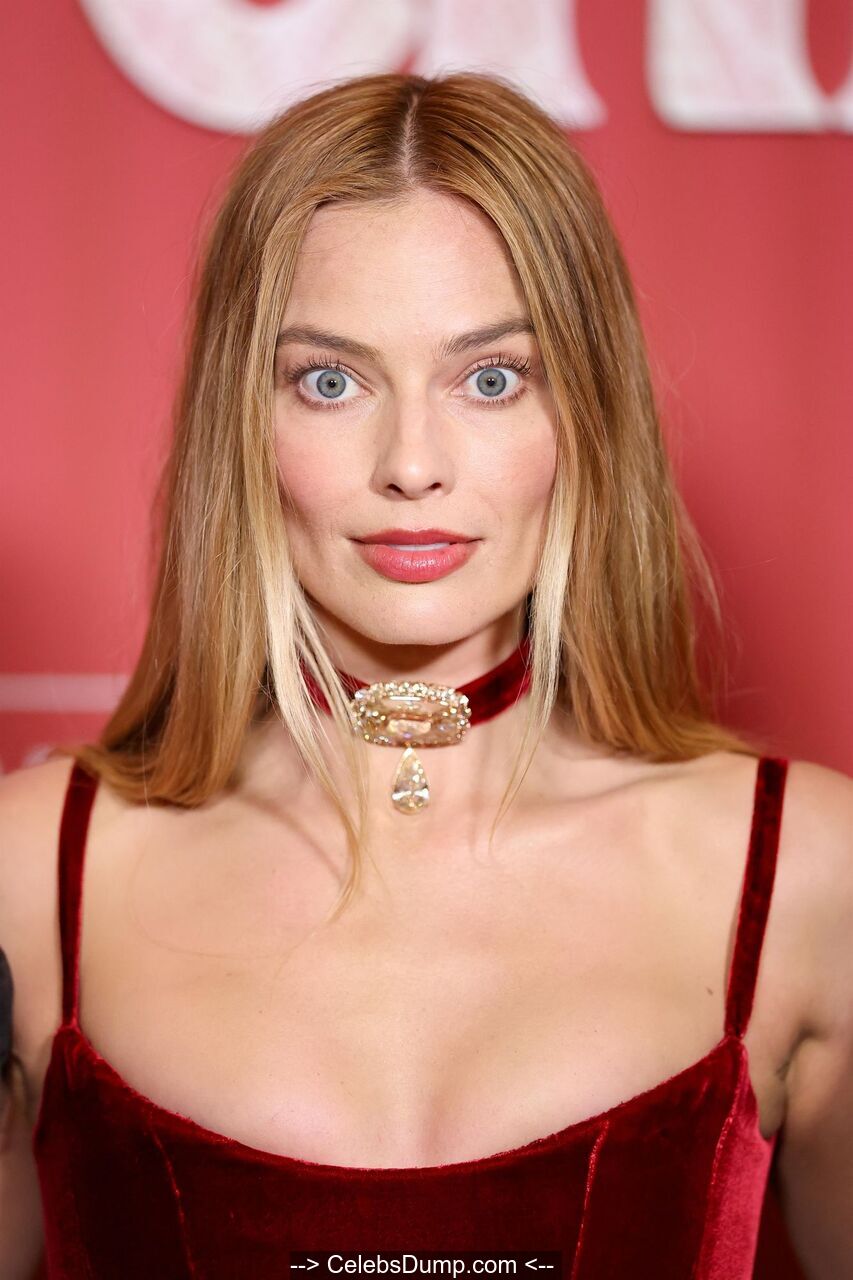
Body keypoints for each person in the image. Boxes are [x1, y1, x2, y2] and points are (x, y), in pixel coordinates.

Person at [0, 70, 850, 1280]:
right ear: (243, 420)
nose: (411, 462)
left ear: (587, 413)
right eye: (330, 380)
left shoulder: (808, 877)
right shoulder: (30, 874)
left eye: (490, 378)